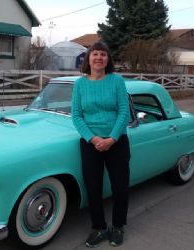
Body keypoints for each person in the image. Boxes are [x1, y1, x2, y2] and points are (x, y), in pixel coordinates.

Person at [71, 41, 131, 247]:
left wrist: (111, 139)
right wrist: (94, 139)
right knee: (93, 188)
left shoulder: (116, 81)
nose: (98, 58)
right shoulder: (79, 84)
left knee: (120, 187)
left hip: (117, 141)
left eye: (103, 55)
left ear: (108, 59)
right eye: (95, 54)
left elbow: (124, 112)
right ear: (88, 59)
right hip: (91, 143)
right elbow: (76, 116)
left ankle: (118, 227)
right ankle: (99, 227)